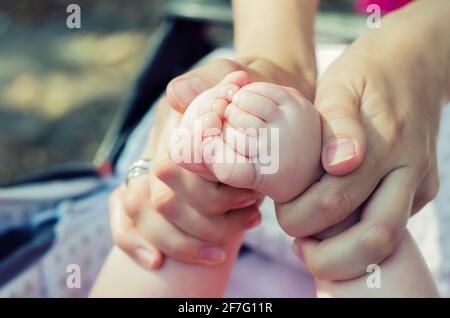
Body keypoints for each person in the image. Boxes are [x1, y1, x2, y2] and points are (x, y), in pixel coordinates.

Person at [90, 0, 450, 297]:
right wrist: (272, 65)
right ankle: (312, 186)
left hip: (398, 94)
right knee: (356, 221)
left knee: (185, 216)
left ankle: (297, 184)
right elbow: (273, 53)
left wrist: (418, 52)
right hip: (382, 88)